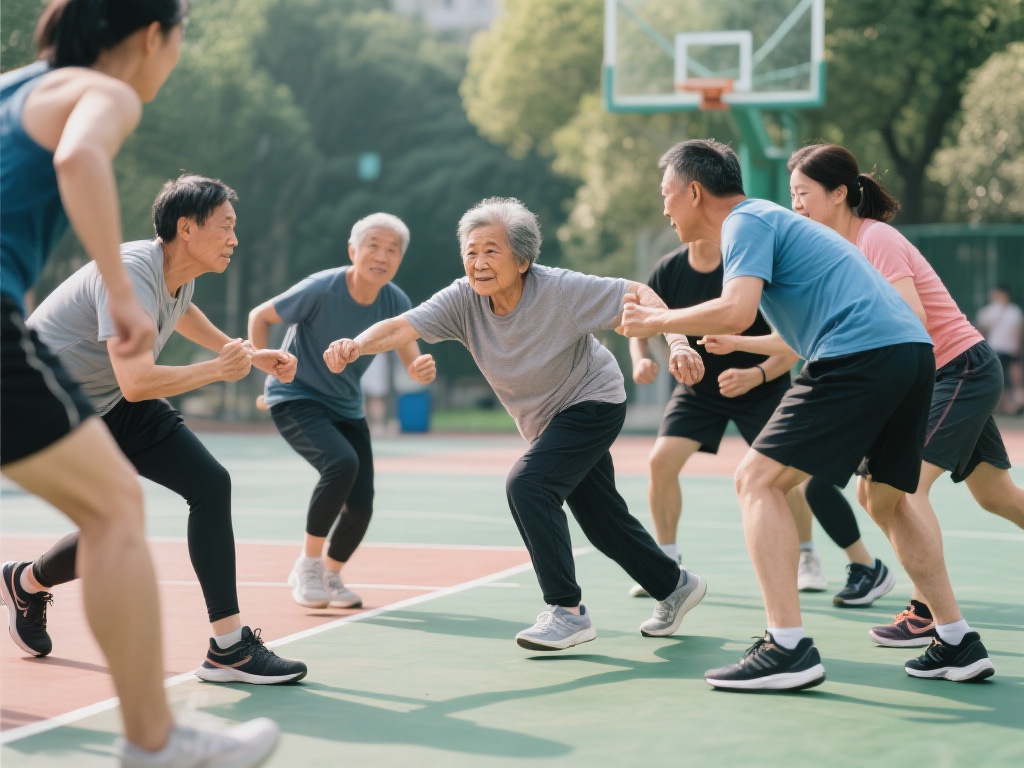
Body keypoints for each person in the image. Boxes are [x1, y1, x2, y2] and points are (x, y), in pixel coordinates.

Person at [0, 2, 278, 765]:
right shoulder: (105, 90)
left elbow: (182, 321)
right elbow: (79, 162)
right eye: (181, 37)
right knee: (116, 508)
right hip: (70, 371)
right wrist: (119, 295)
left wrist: (237, 351)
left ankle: (34, 586)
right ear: (153, 36)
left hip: (111, 398)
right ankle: (153, 739)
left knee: (126, 503)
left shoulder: (19, 87)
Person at [619, 139, 994, 690]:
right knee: (884, 498)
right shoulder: (771, 224)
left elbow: (737, 308)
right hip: (910, 354)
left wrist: (655, 323)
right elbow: (787, 330)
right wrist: (733, 342)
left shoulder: (744, 223)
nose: (665, 208)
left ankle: (787, 648)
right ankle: (959, 641)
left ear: (694, 192)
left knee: (757, 480)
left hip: (861, 354)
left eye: (667, 195)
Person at [323, 197, 708, 650]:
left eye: (491, 251)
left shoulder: (561, 290)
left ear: (523, 260)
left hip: (593, 401)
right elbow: (401, 327)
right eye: (471, 251)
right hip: (545, 420)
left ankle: (566, 612)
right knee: (603, 521)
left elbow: (639, 294)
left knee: (527, 485)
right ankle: (674, 584)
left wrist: (679, 342)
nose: (478, 262)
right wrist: (355, 344)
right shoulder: (462, 300)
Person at [8, 174, 308, 689]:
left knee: (210, 485)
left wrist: (242, 353)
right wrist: (217, 371)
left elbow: (180, 310)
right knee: (115, 523)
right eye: (226, 227)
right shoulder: (129, 273)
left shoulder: (175, 271)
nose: (235, 238)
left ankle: (229, 649)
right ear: (186, 229)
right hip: (47, 407)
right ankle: (27, 580)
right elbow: (138, 379)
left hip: (111, 401)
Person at [787, 142, 1024, 647]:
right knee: (996, 496)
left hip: (957, 370)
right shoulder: (839, 250)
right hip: (941, 375)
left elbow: (911, 320)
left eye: (803, 193)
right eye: (792, 195)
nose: (796, 206)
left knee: (898, 489)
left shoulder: (876, 240)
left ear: (838, 193)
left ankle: (926, 610)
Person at [628, 240, 882, 598]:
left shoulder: (748, 269)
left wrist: (758, 375)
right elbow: (642, 322)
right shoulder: (668, 270)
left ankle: (807, 555)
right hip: (698, 391)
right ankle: (665, 564)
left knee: (789, 476)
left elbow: (792, 342)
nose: (669, 213)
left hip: (762, 390)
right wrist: (641, 358)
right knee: (660, 462)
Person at [248, 213, 435, 610]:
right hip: (295, 396)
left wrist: (419, 369)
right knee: (341, 463)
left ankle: (331, 574)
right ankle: (308, 565)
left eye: (392, 250)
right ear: (353, 250)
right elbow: (259, 316)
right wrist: (263, 364)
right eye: (373, 245)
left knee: (362, 503)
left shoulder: (394, 301)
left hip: (346, 406)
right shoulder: (321, 289)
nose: (382, 256)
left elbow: (411, 359)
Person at [977, 285, 1024, 414]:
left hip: (1010, 349)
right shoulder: (988, 311)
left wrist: (1017, 348)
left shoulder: (1015, 311)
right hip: (994, 349)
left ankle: (1014, 404)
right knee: (997, 377)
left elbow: (1018, 331)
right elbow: (983, 329)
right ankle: (999, 405)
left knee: (1014, 378)